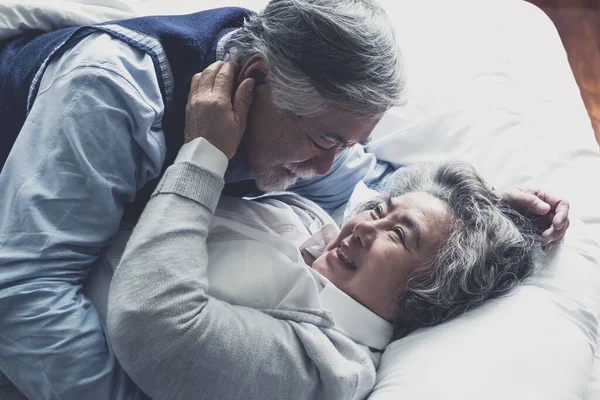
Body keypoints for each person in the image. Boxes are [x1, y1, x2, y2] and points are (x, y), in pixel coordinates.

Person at [0, 1, 568, 399]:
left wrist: (486, 209)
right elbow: (21, 293)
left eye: (348, 144)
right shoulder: (113, 96)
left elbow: (371, 187)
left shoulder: (308, 134)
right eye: (325, 139)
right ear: (252, 80)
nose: (327, 166)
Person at [104, 156, 546, 399]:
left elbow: (152, 323)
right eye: (378, 210)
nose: (362, 227)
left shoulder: (330, 365)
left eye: (396, 234)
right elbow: (403, 178)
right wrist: (488, 205)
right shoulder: (316, 225)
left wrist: (205, 154)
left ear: (429, 289)